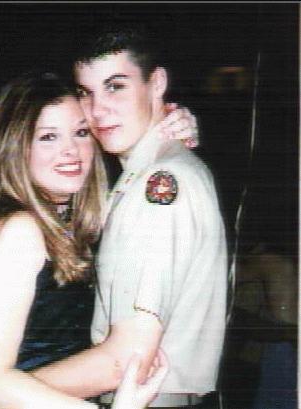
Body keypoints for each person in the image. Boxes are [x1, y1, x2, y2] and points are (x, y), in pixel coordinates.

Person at [31, 24, 228, 408]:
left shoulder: (158, 186)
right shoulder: (144, 175)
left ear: (157, 84)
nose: (97, 110)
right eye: (86, 93)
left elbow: (127, 360)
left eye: (115, 87)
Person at [0, 71, 173, 409]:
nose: (72, 150)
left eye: (81, 132)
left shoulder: (71, 222)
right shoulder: (16, 231)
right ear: (14, 147)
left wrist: (172, 127)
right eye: (48, 137)